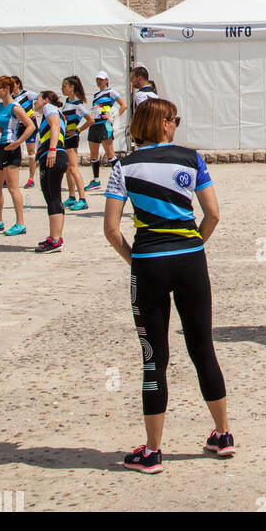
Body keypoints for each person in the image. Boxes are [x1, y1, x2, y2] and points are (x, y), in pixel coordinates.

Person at [104, 97, 232, 472]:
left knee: (154, 358)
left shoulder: (123, 166)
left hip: (149, 263)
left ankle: (153, 450)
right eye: (174, 119)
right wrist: (193, 246)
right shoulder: (192, 158)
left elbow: (111, 229)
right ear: (163, 124)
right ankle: (223, 433)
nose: (177, 123)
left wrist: (137, 261)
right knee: (202, 347)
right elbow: (213, 214)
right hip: (190, 259)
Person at [0, 75, 33, 236]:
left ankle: (20, 223)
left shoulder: (15, 107)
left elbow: (30, 126)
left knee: (12, 187)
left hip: (10, 149)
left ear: (7, 89)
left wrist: (18, 142)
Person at [34, 90, 69, 253]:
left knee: (52, 197)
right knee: (54, 197)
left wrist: (52, 150)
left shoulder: (49, 108)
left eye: (37, 100)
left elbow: (55, 126)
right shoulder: (56, 112)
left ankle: (55, 241)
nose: (35, 102)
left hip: (53, 155)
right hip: (56, 154)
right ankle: (56, 237)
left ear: (46, 100)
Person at [85, 72, 126, 190]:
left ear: (106, 80)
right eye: (97, 79)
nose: (99, 81)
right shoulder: (96, 94)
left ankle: (120, 179)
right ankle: (96, 180)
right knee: (93, 154)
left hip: (105, 125)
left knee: (110, 154)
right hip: (94, 125)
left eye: (101, 79)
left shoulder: (111, 92)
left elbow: (124, 105)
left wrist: (113, 117)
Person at [60, 76, 90, 211]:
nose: (62, 89)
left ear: (72, 87)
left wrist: (77, 131)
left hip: (71, 139)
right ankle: (72, 197)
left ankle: (82, 199)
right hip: (65, 138)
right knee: (68, 168)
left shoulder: (79, 105)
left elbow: (90, 120)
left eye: (64, 86)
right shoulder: (66, 102)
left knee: (73, 168)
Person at [11, 77, 39, 189]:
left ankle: (31, 179)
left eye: (12, 84)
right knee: (12, 148)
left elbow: (44, 99)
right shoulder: (10, 98)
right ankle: (8, 178)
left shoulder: (27, 94)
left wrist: (38, 113)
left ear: (18, 84)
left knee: (31, 152)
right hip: (18, 127)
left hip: (30, 126)